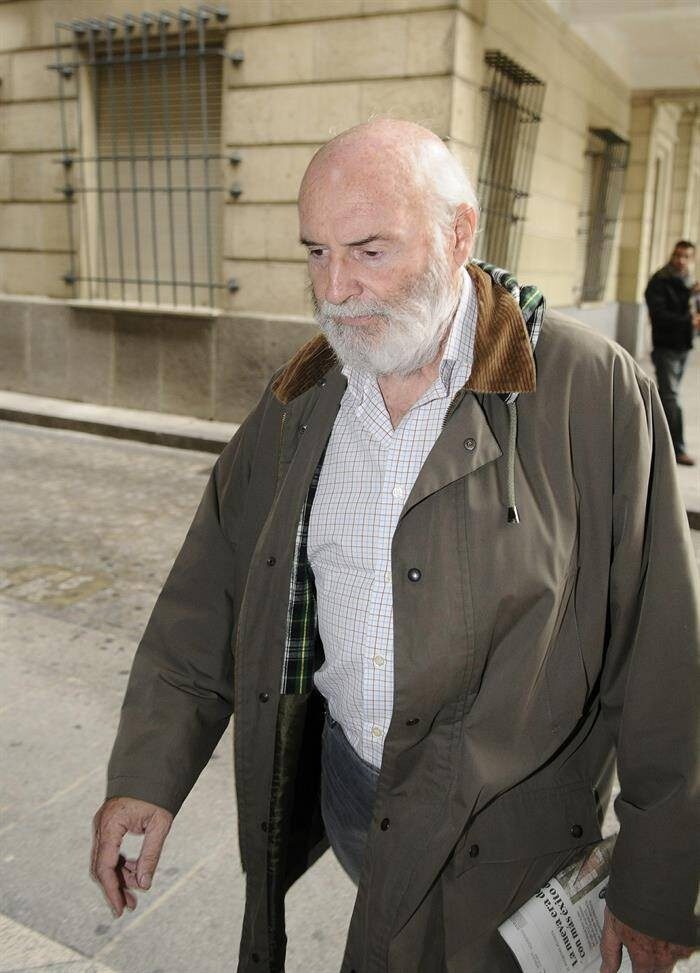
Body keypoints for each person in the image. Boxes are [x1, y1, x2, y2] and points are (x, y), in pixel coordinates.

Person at [91, 120, 699, 973]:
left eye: (370, 251)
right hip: (352, 801)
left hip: (508, 844)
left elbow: (664, 654)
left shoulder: (593, 393)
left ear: (458, 234)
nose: (336, 289)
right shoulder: (302, 393)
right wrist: (147, 771)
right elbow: (209, 587)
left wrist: (659, 879)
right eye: (315, 253)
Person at [645, 240, 700, 466]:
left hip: (684, 346)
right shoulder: (660, 281)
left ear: (692, 259)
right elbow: (659, 315)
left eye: (686, 256)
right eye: (678, 255)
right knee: (671, 397)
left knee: (665, 396)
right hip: (665, 346)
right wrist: (689, 321)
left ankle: (653, 441)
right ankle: (677, 449)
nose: (681, 260)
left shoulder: (689, 283)